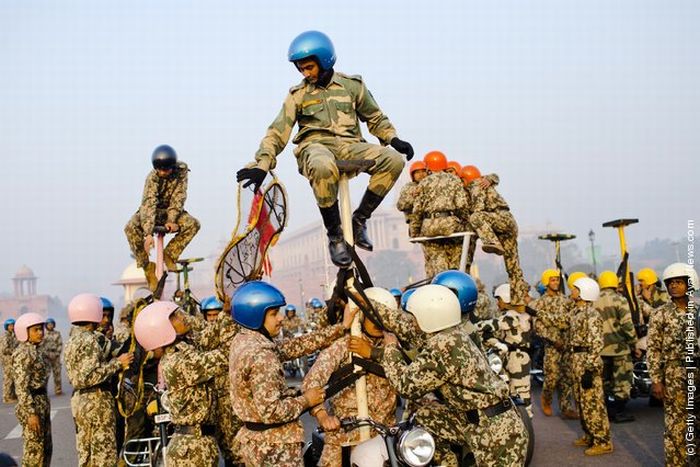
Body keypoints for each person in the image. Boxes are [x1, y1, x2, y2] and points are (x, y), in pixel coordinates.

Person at [236, 31, 413, 268]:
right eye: (301, 69)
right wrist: (262, 165)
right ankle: (335, 234)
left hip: (352, 146)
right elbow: (277, 133)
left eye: (309, 67)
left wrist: (392, 139)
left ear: (325, 60)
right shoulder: (297, 95)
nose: (305, 73)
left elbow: (375, 118)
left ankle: (359, 220)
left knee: (393, 160)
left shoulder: (352, 86)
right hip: (316, 147)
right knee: (322, 164)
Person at [381, 284, 528, 466]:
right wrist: (362, 299)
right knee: (426, 417)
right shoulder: (453, 333)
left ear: (429, 316)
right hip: (479, 422)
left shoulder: (442, 346)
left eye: (414, 317)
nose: (412, 322)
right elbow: (400, 324)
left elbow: (404, 386)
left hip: (496, 433)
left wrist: (390, 349)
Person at [229, 280, 358, 466]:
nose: (281, 318)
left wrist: (341, 327)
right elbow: (271, 412)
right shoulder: (262, 356)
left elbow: (296, 345)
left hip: (257, 442)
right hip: (274, 448)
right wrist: (307, 399)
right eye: (274, 314)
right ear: (254, 316)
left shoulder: (245, 342)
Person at [303, 287, 396, 466]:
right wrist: (323, 416)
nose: (376, 321)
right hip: (346, 433)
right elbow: (311, 381)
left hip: (386, 434)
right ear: (361, 315)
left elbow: (417, 378)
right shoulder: (343, 346)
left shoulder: (394, 347)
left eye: (381, 316)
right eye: (371, 315)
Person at [134, 300, 227, 466]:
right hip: (192, 449)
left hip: (197, 443)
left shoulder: (183, 350)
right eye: (175, 316)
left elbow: (208, 335)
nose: (182, 318)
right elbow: (223, 358)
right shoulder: (177, 362)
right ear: (162, 328)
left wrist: (226, 313)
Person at [64, 293, 134, 467]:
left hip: (80, 402)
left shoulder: (71, 340)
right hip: (96, 402)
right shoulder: (90, 340)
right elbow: (88, 376)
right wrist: (118, 364)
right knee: (104, 457)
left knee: (86, 456)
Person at [124, 144, 200, 289]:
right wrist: (148, 233)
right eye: (159, 170)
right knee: (130, 227)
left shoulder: (181, 172)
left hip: (171, 211)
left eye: (165, 169)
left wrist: (172, 220)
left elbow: (178, 197)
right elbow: (149, 204)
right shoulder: (152, 178)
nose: (162, 173)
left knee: (193, 224)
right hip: (152, 212)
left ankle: (170, 254)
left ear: (172, 167)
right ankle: (147, 267)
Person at [647, 263, 699, 467]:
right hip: (674, 374)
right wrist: (656, 380)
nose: (673, 286)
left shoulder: (698, 312)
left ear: (690, 283)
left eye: (679, 282)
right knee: (675, 426)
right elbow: (653, 348)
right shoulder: (660, 314)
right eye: (670, 283)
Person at [462, 165, 530, 309]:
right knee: (513, 265)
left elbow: (478, 209)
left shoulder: (475, 186)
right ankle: (519, 301)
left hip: (498, 219)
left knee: (476, 217)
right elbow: (495, 176)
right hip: (507, 222)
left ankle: (492, 242)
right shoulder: (485, 182)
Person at [196, 295, 243, 466]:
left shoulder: (232, 331)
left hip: (231, 401)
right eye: (210, 315)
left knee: (235, 451)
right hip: (209, 405)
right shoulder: (201, 337)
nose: (214, 318)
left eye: (217, 314)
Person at [569, 277, 613, 456]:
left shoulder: (592, 315)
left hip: (587, 361)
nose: (571, 291)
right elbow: (560, 321)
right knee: (581, 402)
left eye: (575, 288)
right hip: (576, 359)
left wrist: (589, 369)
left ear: (584, 292)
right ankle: (589, 435)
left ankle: (603, 441)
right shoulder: (576, 312)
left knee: (593, 403)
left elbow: (596, 343)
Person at [410, 151, 470, 277]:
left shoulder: (423, 183)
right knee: (456, 251)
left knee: (437, 259)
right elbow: (462, 205)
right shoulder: (454, 180)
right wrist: (465, 221)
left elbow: (417, 210)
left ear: (427, 166)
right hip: (450, 225)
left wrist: (414, 231)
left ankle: (442, 280)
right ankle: (456, 274)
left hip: (429, 227)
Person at [478, 283, 534, 416]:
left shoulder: (513, 316)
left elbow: (493, 324)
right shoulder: (516, 314)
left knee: (521, 393)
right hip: (513, 356)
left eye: (499, 299)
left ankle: (527, 424)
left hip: (518, 358)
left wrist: (475, 326)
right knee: (512, 391)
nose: (497, 303)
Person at [530, 269, 578, 419]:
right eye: (552, 280)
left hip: (566, 344)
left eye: (557, 280)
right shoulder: (539, 303)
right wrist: (552, 340)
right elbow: (538, 327)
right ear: (546, 282)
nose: (556, 282)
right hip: (552, 346)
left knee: (566, 378)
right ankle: (547, 399)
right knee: (551, 377)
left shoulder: (566, 301)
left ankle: (566, 407)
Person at [594, 270, 637, 423]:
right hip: (620, 349)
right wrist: (634, 343)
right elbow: (627, 325)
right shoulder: (620, 300)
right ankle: (619, 412)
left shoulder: (593, 300)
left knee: (603, 382)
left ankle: (606, 411)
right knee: (622, 383)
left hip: (599, 350)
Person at [12, 313, 52, 466]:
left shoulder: (38, 351)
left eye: (41, 329)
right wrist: (30, 413)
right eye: (35, 330)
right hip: (32, 404)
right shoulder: (22, 353)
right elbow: (21, 387)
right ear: (24, 332)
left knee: (45, 450)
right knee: (34, 453)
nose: (40, 332)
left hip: (41, 401)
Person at [396, 161, 428, 229]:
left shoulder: (431, 185)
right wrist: (412, 197)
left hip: (430, 222)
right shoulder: (408, 188)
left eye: (423, 171)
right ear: (413, 175)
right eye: (417, 172)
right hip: (416, 225)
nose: (421, 174)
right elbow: (400, 206)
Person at [39, 318, 62, 396]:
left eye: (52, 324)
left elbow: (60, 344)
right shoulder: (43, 334)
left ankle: (58, 390)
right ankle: (44, 391)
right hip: (47, 357)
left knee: (57, 374)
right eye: (48, 324)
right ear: (46, 325)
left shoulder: (57, 333)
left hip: (56, 356)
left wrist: (56, 353)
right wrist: (47, 354)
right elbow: (41, 346)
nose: (50, 326)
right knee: (46, 375)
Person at [1, 319, 18, 403]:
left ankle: (13, 395)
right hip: (7, 360)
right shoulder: (6, 336)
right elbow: (4, 349)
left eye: (13, 325)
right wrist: (14, 351)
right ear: (6, 327)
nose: (12, 327)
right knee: (8, 379)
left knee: (14, 378)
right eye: (10, 325)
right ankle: (6, 397)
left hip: (13, 360)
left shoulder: (14, 336)